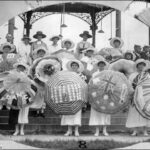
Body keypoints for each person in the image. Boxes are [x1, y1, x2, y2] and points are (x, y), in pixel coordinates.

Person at [6, 62, 36, 136]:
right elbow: (9, 84)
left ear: (24, 69)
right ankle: (16, 130)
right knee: (15, 112)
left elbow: (32, 84)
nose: (21, 69)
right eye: (19, 67)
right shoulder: (12, 75)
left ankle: (22, 129)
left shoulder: (27, 76)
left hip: (25, 96)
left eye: (22, 67)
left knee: (23, 112)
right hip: (15, 95)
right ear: (17, 68)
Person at [126, 59, 150, 136]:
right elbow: (129, 85)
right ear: (137, 66)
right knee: (134, 113)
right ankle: (135, 130)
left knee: (144, 112)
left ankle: (145, 131)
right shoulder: (132, 75)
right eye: (139, 65)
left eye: (142, 65)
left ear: (144, 66)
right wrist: (132, 92)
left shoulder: (147, 75)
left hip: (144, 96)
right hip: (134, 96)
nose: (141, 67)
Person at [89, 59, 111, 136]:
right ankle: (97, 130)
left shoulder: (108, 73)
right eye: (100, 65)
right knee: (97, 112)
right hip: (97, 95)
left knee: (105, 112)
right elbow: (92, 84)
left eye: (103, 65)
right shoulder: (94, 74)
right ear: (98, 66)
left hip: (106, 95)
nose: (101, 66)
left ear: (105, 66)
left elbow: (111, 84)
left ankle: (105, 130)